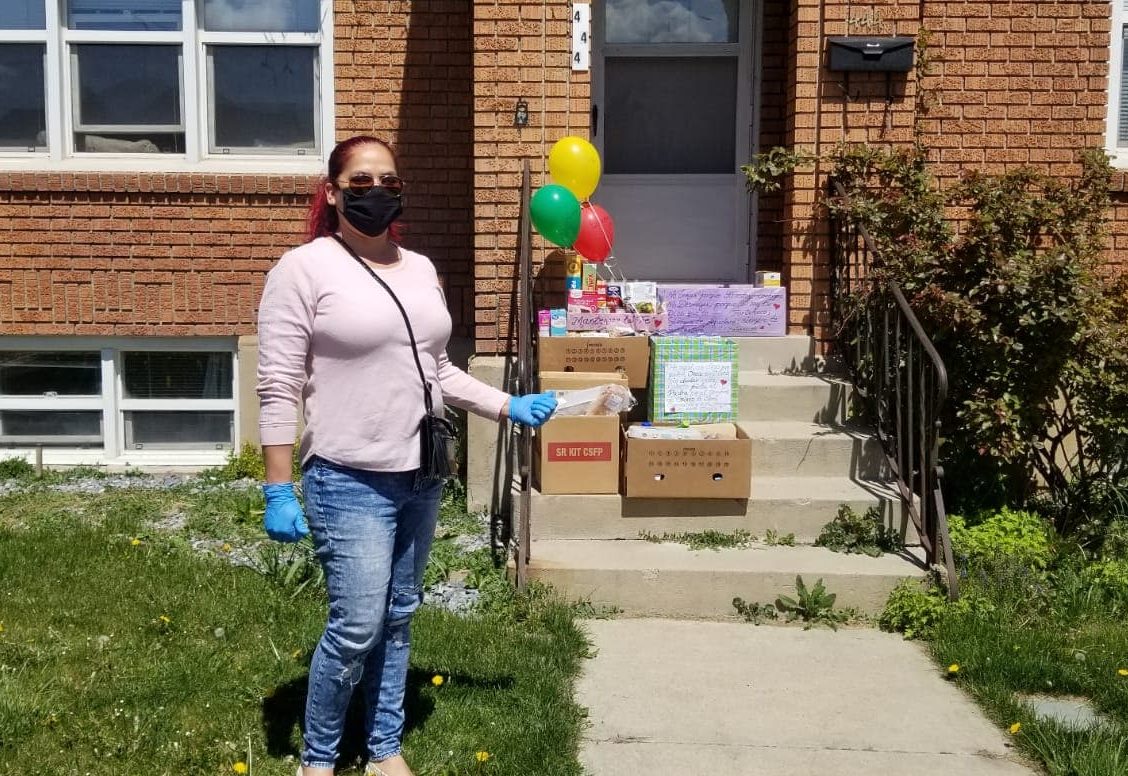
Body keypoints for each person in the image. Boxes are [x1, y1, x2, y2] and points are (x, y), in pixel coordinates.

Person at [256, 135, 557, 776]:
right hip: (347, 478)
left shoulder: (418, 268)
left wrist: (507, 405)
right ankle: (319, 757)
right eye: (360, 182)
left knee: (398, 618)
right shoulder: (303, 269)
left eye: (388, 180)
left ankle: (385, 747)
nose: (376, 192)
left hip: (419, 474)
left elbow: (437, 368)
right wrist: (278, 486)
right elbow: (278, 384)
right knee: (355, 628)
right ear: (333, 193)